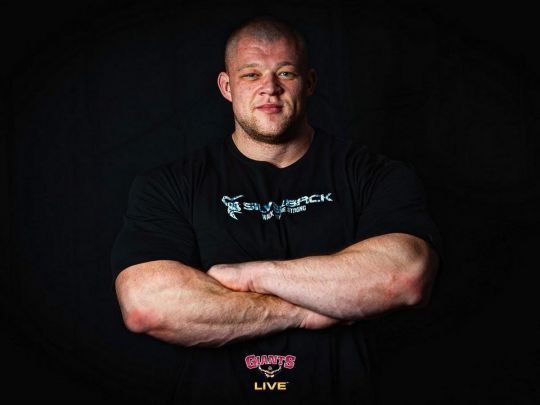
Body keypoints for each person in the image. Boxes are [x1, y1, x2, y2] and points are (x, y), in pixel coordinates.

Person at [111, 15, 441, 405]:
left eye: (285, 73)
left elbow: (404, 276)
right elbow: (147, 305)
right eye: (251, 74)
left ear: (310, 82)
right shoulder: (171, 184)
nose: (270, 88)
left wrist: (252, 275)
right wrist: (306, 310)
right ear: (227, 86)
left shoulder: (372, 174)